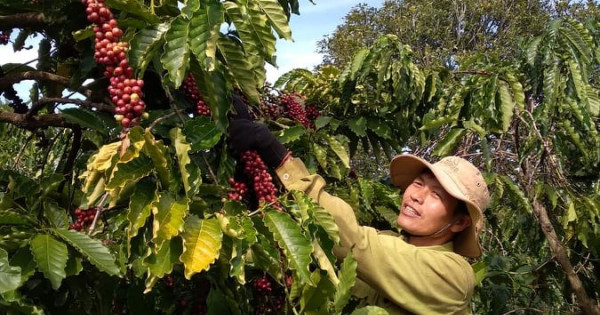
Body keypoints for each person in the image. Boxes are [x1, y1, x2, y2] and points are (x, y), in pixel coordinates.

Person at [228, 96, 490, 315]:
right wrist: (229, 241)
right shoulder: (390, 241)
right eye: (419, 184)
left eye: (436, 195)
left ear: (459, 222)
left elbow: (354, 242)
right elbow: (311, 253)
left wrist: (280, 158)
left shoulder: (454, 278)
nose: (416, 196)